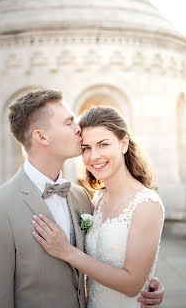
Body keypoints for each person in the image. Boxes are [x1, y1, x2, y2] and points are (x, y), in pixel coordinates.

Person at [0, 90, 163, 308]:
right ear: (41, 137)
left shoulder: (81, 197)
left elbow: (109, 261)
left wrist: (146, 283)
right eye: (69, 122)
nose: (78, 129)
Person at [31, 105, 165, 308]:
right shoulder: (98, 199)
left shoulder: (147, 204)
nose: (94, 156)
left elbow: (131, 285)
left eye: (103, 144)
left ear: (124, 144)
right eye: (86, 148)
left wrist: (67, 251)